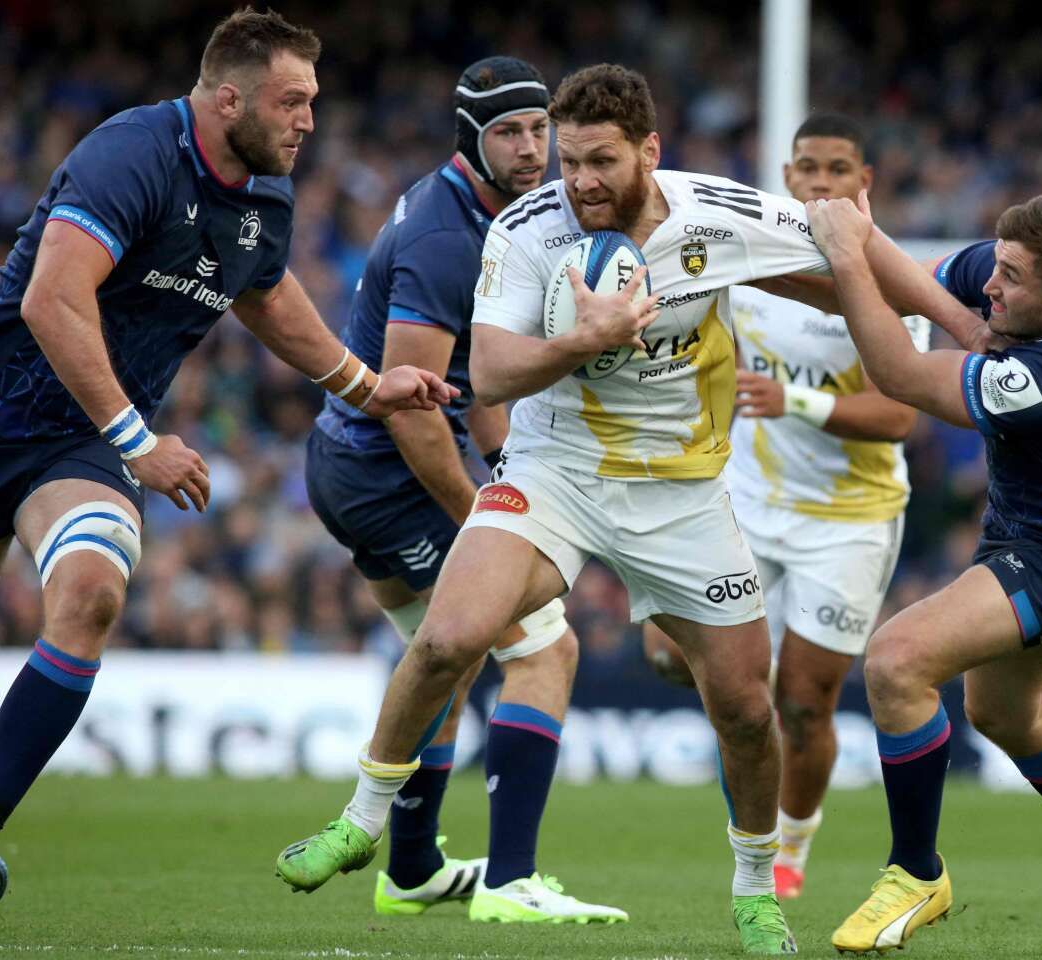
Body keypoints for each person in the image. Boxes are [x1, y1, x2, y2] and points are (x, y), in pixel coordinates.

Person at [275, 62, 861, 955]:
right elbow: (492, 377)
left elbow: (849, 254)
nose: (573, 176)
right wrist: (583, 339)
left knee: (744, 708)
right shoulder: (516, 226)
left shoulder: (710, 212)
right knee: (449, 638)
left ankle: (754, 891)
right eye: (565, 157)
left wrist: (964, 320)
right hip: (554, 468)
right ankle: (363, 822)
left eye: (593, 159)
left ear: (648, 153)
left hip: (681, 492)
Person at [0, 8, 452, 910]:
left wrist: (366, 386)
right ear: (227, 97)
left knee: (91, 593)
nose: (309, 120)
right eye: (292, 100)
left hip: (79, 442)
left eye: (312, 102)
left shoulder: (264, 195)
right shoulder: (133, 153)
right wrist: (141, 441)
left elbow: (267, 300)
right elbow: (51, 298)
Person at [300, 55, 622, 923]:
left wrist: (513, 472)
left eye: (537, 131)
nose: (529, 150)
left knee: (450, 656)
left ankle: (408, 867)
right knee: (543, 651)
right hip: (387, 472)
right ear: (471, 140)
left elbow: (475, 387)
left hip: (353, 467)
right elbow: (411, 408)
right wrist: (485, 512)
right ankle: (512, 881)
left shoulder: (484, 212)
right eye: (507, 133)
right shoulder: (449, 237)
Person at [805, 190, 1042, 953]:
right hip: (1038, 534)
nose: (990, 287)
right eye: (994, 268)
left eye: (1008, 278)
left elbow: (900, 376)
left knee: (897, 663)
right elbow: (923, 279)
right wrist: (864, 244)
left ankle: (916, 873)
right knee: (1000, 713)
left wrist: (846, 253)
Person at [642, 113, 929, 901]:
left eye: (840, 170)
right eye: (808, 168)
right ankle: (745, 743)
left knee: (803, 704)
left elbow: (901, 415)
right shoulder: (748, 261)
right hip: (748, 499)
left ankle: (790, 849)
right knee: (670, 654)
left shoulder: (881, 278)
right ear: (787, 176)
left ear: (863, 182)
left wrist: (793, 400)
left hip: (849, 520)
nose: (822, 183)